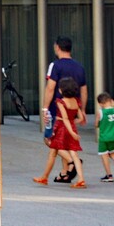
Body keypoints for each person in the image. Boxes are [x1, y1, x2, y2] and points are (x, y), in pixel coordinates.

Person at [41, 37, 86, 183]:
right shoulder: (79, 67)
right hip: (73, 109)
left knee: (50, 140)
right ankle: (64, 172)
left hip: (57, 110)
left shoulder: (55, 65)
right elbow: (84, 90)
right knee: (65, 141)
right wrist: (82, 109)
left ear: (57, 47)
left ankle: (73, 162)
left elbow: (50, 87)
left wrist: (45, 108)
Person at [34, 77, 86, 188]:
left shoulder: (60, 102)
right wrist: (72, 126)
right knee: (74, 153)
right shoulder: (76, 101)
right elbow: (80, 118)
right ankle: (81, 179)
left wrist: (70, 130)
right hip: (71, 126)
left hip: (61, 128)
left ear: (61, 90)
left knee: (52, 153)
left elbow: (65, 118)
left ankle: (44, 177)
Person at [95, 92, 114, 183]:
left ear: (100, 103)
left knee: (104, 155)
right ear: (111, 101)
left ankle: (109, 175)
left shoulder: (101, 112)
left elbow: (96, 124)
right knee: (112, 153)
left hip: (104, 137)